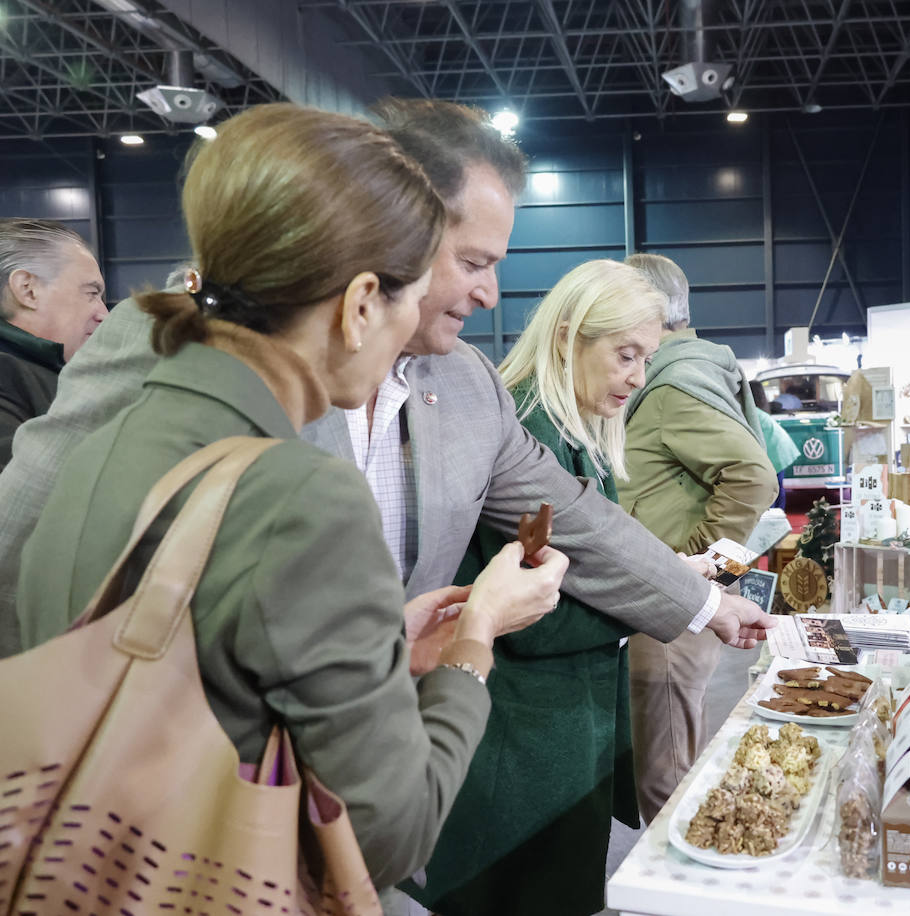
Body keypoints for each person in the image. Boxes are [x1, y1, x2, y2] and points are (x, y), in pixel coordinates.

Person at [0, 99, 771, 688]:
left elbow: (576, 515)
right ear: (389, 229)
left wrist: (705, 604)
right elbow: (20, 540)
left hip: (376, 772)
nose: (492, 293)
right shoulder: (164, 342)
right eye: (472, 262)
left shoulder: (467, 384)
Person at [13, 103, 567, 898]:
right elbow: (388, 831)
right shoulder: (302, 497)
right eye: (410, 296)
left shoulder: (108, 445)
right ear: (362, 302)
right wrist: (473, 642)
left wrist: (378, 642)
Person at [408, 259, 671, 916]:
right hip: (521, 742)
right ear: (567, 337)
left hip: (557, 728)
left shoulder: (570, 426)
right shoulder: (533, 433)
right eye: (625, 355)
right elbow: (533, 612)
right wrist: (642, 603)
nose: (637, 378)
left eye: (647, 359)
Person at [619, 252, 777, 824]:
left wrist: (700, 565)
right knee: (675, 758)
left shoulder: (670, 387)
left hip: (667, 610)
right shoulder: (695, 371)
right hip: (675, 602)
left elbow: (755, 477)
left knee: (667, 778)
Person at [0, 218, 106, 465]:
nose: (104, 314)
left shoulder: (40, 373)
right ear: (28, 290)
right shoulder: (8, 377)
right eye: (91, 293)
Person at [750, 378, 801, 508]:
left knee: (769, 491)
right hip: (781, 449)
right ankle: (779, 519)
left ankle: (773, 521)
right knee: (777, 488)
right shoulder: (761, 410)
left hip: (774, 452)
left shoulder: (751, 413)